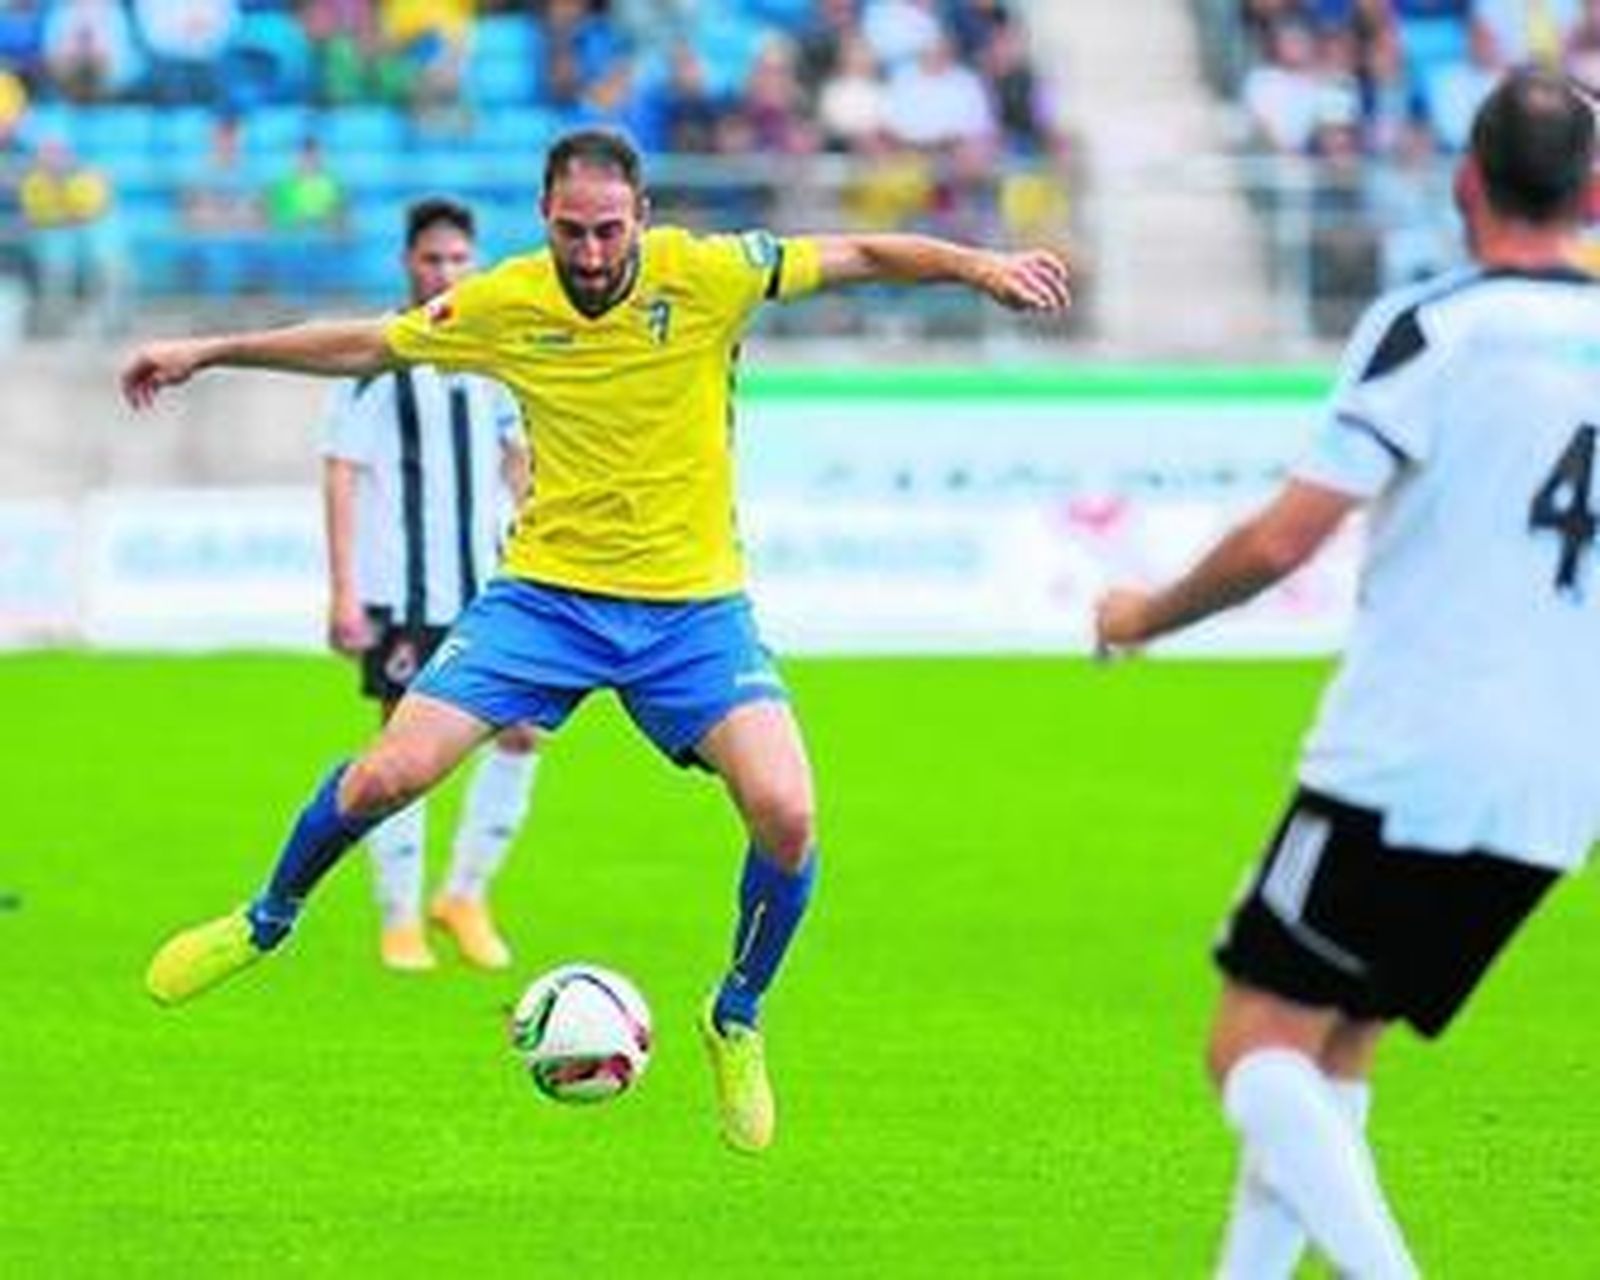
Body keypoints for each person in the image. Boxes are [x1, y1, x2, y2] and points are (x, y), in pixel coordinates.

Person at [121, 127, 1070, 1155]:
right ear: (543, 218)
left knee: (788, 811)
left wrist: (980, 266)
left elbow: (863, 255)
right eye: (570, 230)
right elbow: (367, 342)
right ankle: (266, 917)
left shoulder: (709, 274)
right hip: (546, 600)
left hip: (693, 610)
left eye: (607, 229)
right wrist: (207, 351)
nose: (588, 252)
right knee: (387, 772)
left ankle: (736, 1015)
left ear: (642, 217)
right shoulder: (503, 300)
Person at [1095, 68, 1600, 1278]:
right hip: (1557, 783)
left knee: (1248, 1047)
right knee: (1336, 1049)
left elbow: (1284, 537)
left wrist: (1145, 614)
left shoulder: (1434, 324)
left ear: (1463, 181)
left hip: (1407, 751)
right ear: (1591, 191)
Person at [322, 196, 540, 974]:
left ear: (473, 264)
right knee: (402, 753)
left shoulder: (492, 355)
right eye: (431, 259)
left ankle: (465, 895)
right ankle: (399, 918)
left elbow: (517, 456)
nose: (445, 271)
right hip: (401, 589)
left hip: (489, 587)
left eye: (458, 259)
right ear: (407, 263)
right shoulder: (377, 358)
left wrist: (534, 528)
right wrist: (344, 591)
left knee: (523, 733)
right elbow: (341, 475)